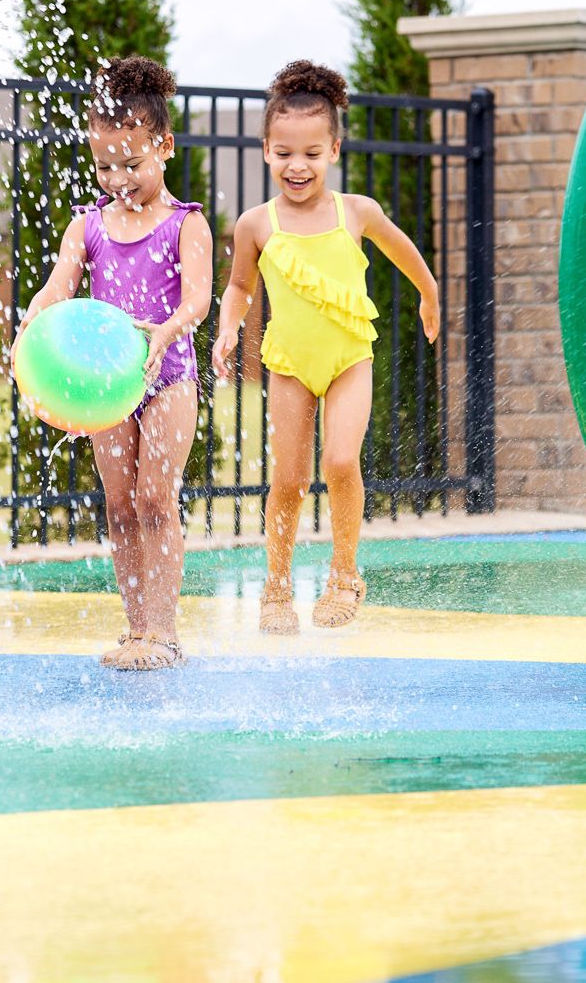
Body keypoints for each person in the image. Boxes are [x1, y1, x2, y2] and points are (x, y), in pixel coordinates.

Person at [211, 60, 439, 634]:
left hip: (348, 360)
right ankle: (276, 587)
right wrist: (228, 327)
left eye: (312, 153)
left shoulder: (356, 211)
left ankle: (344, 575)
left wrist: (429, 293)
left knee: (339, 461)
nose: (298, 165)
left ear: (334, 150)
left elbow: (403, 250)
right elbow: (239, 287)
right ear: (266, 150)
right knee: (288, 479)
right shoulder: (256, 224)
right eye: (285, 152)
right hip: (289, 365)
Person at [23, 57, 212, 670]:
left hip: (168, 378)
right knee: (121, 504)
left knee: (156, 497)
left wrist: (168, 329)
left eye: (132, 165)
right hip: (107, 386)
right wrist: (34, 318)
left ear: (165, 147)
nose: (118, 179)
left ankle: (165, 633)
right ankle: (136, 631)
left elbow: (198, 300)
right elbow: (58, 286)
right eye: (105, 166)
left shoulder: (185, 225)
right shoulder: (89, 226)